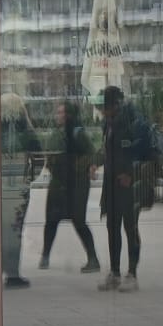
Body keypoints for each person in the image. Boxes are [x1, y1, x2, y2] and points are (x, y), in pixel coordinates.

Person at [99, 85, 155, 292]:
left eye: (104, 108)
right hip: (111, 185)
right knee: (112, 229)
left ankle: (132, 274)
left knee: (130, 228)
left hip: (131, 185)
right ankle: (114, 272)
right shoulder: (108, 124)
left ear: (115, 105)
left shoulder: (135, 123)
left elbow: (146, 155)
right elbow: (108, 152)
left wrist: (131, 174)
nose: (102, 112)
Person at [39, 99, 99, 273]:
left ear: (69, 115)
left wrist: (87, 167)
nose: (59, 116)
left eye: (62, 113)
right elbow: (49, 157)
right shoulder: (55, 134)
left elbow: (92, 155)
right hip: (58, 183)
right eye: (58, 112)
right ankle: (45, 256)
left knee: (79, 221)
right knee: (51, 220)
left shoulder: (78, 134)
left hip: (77, 184)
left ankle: (93, 259)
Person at [0, 91, 42, 289]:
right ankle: (13, 273)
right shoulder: (26, 130)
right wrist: (30, 179)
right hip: (19, 189)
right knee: (16, 229)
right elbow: (40, 156)